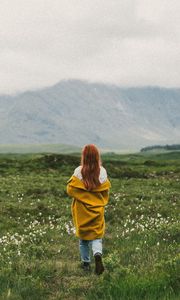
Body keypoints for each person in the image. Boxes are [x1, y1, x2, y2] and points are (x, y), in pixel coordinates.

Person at [66, 144, 111, 275]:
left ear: (84, 157)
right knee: (97, 237)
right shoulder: (102, 172)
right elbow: (105, 191)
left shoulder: (78, 171)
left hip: (81, 211)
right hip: (96, 210)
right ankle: (97, 254)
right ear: (97, 156)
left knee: (83, 239)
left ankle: (86, 264)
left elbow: (70, 189)